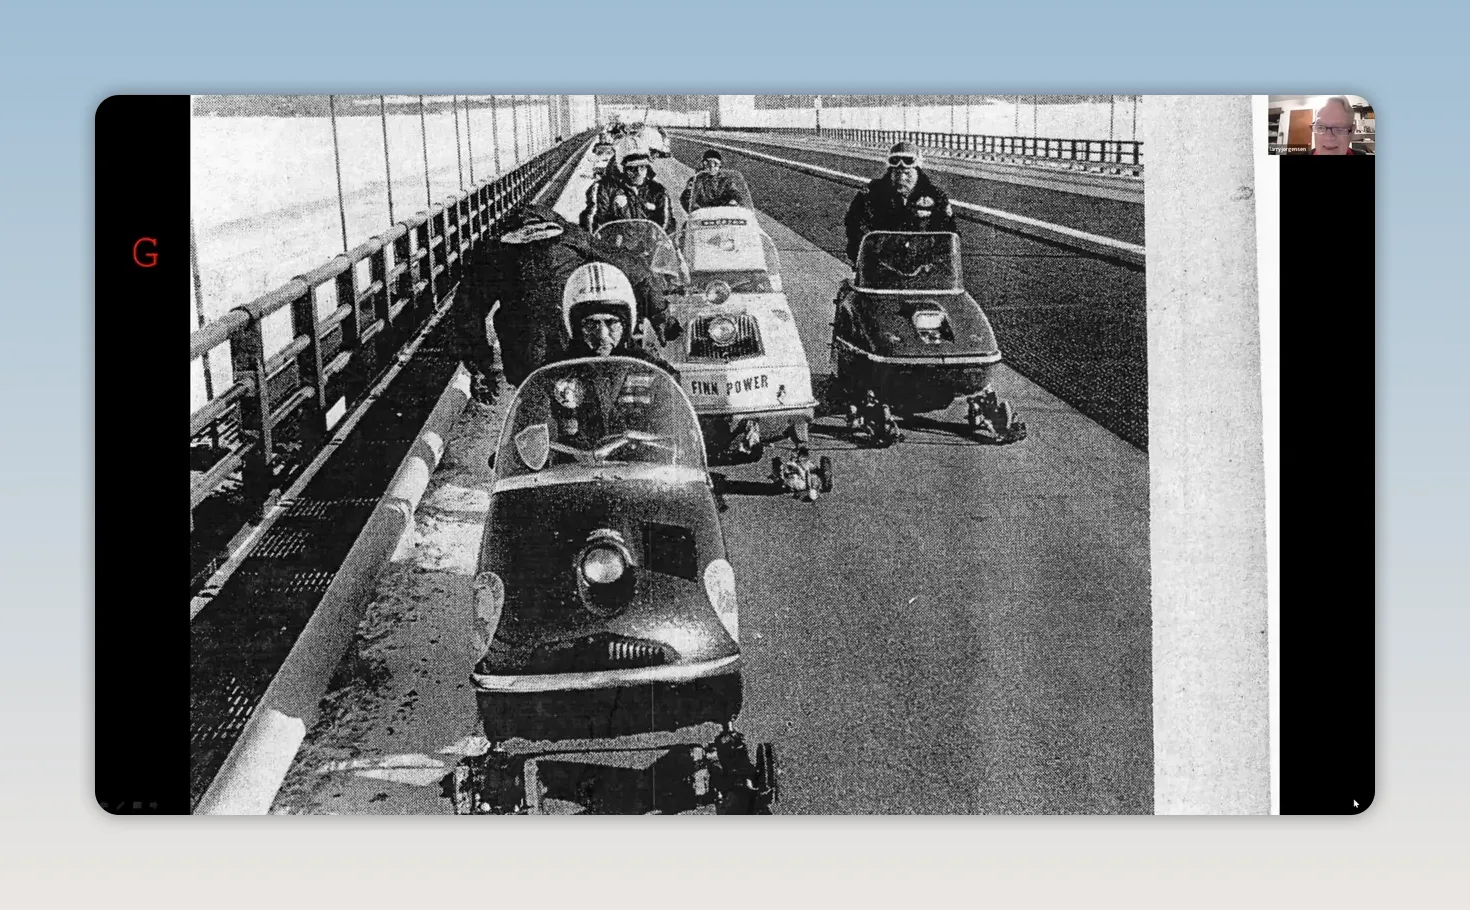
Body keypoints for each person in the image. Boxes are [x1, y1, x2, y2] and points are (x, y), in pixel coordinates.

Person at [457, 202, 676, 395]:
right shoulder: (572, 237)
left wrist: (480, 364)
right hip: (567, 341)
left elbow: (468, 311)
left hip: (530, 349)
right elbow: (635, 270)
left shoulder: (493, 250)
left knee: (545, 405)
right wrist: (660, 314)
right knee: (577, 397)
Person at [843, 141, 957, 265]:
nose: (901, 178)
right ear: (890, 172)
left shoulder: (935, 196)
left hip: (923, 268)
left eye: (907, 173)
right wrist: (865, 258)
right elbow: (855, 226)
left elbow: (949, 233)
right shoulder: (871, 193)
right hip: (880, 266)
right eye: (897, 173)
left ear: (917, 172)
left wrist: (936, 262)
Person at [558, 261, 678, 377]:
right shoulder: (559, 371)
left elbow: (671, 386)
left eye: (611, 323)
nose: (602, 334)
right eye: (590, 324)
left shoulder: (647, 366)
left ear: (626, 324)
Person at [583, 141, 676, 235]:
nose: (639, 173)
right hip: (613, 247)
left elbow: (667, 224)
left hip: (648, 247)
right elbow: (593, 220)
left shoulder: (657, 190)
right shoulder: (604, 188)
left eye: (643, 167)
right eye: (632, 168)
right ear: (622, 168)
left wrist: (661, 242)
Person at [680, 149, 752, 212]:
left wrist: (735, 201)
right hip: (703, 215)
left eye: (715, 163)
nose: (712, 166)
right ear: (703, 164)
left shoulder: (725, 181)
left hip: (723, 215)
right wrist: (695, 209)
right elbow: (687, 197)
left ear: (719, 166)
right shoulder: (696, 180)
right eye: (708, 163)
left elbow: (735, 193)